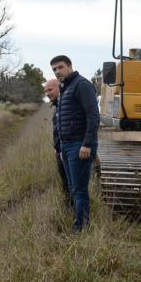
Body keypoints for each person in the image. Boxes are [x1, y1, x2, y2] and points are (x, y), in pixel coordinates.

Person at [50, 55, 99, 231]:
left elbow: (93, 117)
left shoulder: (82, 85)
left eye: (60, 67)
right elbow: (62, 120)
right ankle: (78, 221)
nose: (57, 71)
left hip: (79, 145)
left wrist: (86, 144)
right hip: (67, 146)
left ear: (70, 66)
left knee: (79, 190)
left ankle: (81, 227)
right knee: (72, 187)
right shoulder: (65, 88)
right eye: (54, 69)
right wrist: (61, 147)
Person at [44, 78, 71, 207]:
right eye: (45, 91)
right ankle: (68, 207)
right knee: (65, 183)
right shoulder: (56, 105)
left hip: (67, 150)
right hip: (60, 150)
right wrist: (57, 149)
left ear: (59, 87)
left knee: (72, 184)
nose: (47, 93)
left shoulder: (66, 104)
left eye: (50, 89)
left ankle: (78, 215)